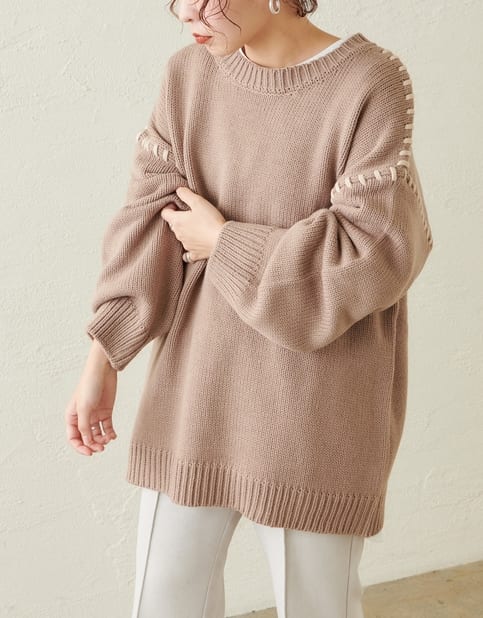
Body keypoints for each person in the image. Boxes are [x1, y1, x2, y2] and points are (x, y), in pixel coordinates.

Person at [65, 0, 434, 616]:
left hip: (316, 411)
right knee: (163, 602)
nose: (187, 12)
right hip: (196, 394)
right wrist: (102, 359)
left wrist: (224, 242)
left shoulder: (368, 81)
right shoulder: (188, 77)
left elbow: (373, 250)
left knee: (317, 606)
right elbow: (148, 225)